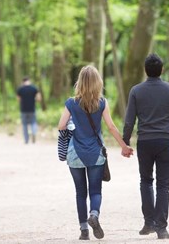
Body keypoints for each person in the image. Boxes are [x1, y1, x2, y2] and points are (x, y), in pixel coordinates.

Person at [122, 53, 169, 239]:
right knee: (163, 185)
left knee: (145, 181)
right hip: (165, 142)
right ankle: (161, 228)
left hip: (144, 142)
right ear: (162, 70)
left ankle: (148, 222)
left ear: (145, 70)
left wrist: (125, 141)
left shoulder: (136, 91)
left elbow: (129, 121)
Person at [57, 65, 133, 241]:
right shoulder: (102, 102)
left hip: (75, 153)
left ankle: (84, 231)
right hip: (95, 153)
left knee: (80, 193)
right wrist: (123, 146)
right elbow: (111, 127)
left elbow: (61, 125)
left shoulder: (71, 103)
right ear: (98, 83)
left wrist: (71, 125)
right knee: (96, 191)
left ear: (80, 82)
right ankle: (94, 215)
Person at [17, 76, 41, 144]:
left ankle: (26, 140)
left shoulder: (20, 89)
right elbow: (39, 98)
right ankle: (33, 133)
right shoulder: (34, 88)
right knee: (33, 123)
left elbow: (18, 100)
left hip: (23, 110)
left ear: (23, 82)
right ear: (29, 81)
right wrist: (34, 99)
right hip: (32, 109)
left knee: (24, 125)